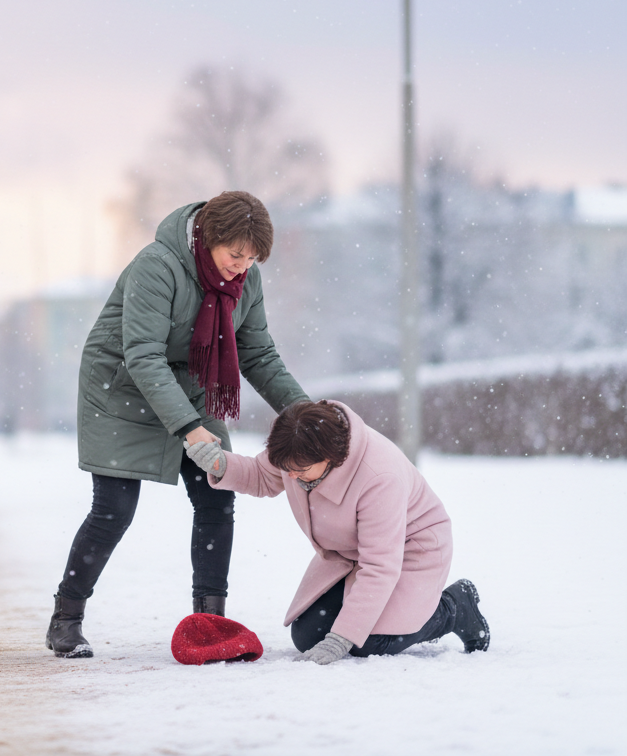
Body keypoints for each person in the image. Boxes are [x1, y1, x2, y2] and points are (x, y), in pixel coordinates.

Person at [46, 191, 309, 658]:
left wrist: (306, 414)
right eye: (236, 254)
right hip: (122, 386)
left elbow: (258, 354)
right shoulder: (158, 265)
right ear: (210, 238)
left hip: (192, 383)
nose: (242, 267)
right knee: (114, 511)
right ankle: (66, 618)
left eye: (252, 259)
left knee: (216, 496)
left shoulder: (246, 281)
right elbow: (144, 356)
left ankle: (211, 624)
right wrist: (191, 429)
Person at [187, 399, 490, 664]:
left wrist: (343, 637)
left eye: (299, 472)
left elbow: (380, 566)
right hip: (352, 554)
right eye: (287, 469)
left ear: (330, 458)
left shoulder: (379, 476)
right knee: (309, 635)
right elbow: (262, 476)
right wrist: (220, 464)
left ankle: (453, 607)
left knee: (367, 641)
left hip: (411, 552)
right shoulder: (297, 444)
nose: (291, 477)